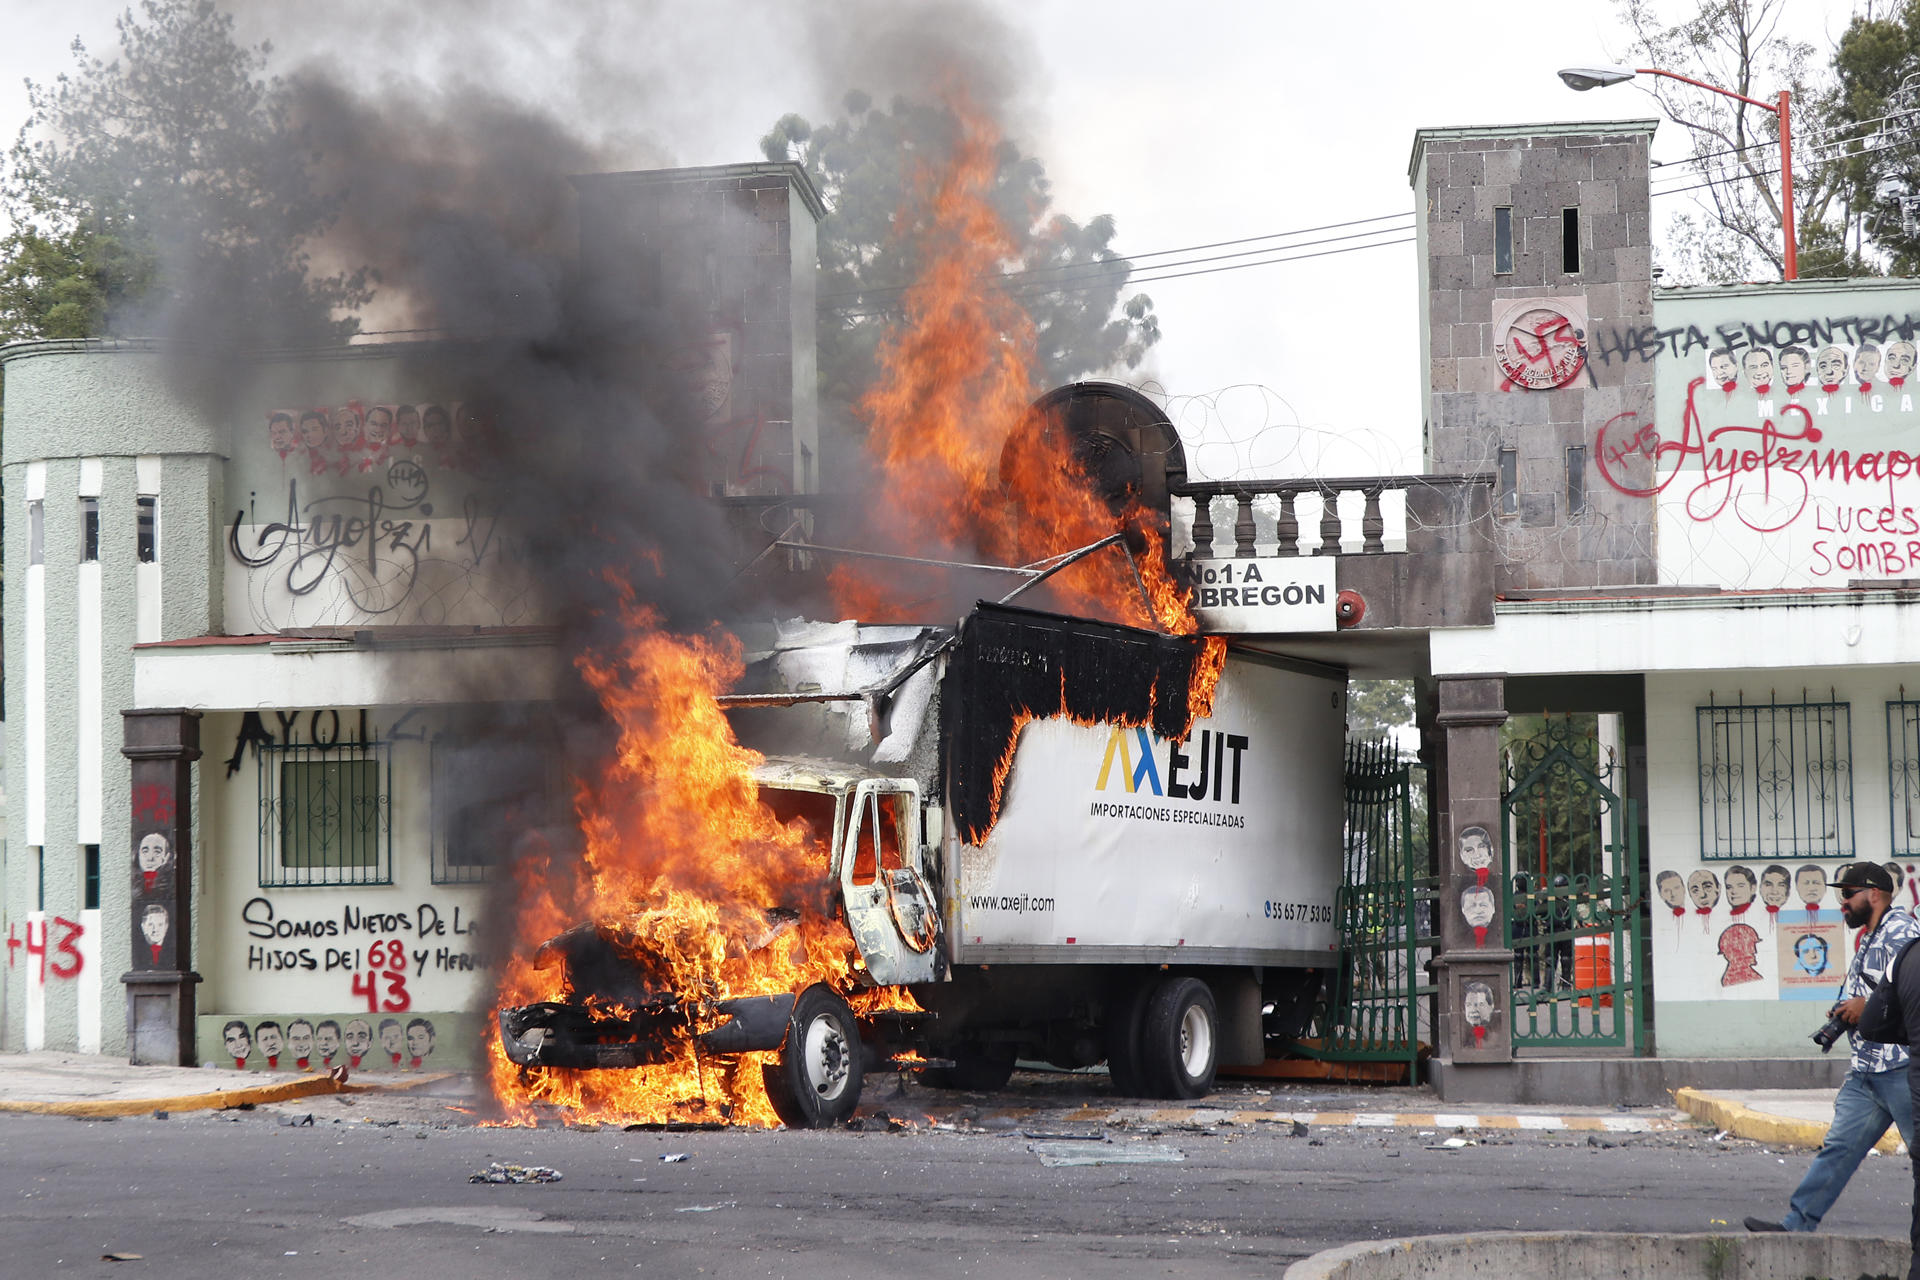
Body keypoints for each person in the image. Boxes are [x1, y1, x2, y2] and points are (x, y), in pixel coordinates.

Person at [1746, 862, 1920, 1234]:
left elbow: (1911, 991)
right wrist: (1849, 1011)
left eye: (1847, 894)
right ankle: (1795, 1226)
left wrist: (1866, 1007)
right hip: (1867, 1072)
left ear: (1874, 894)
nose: (1842, 903)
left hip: (1901, 1070)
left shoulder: (1903, 931)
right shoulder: (1870, 936)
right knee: (1838, 1149)